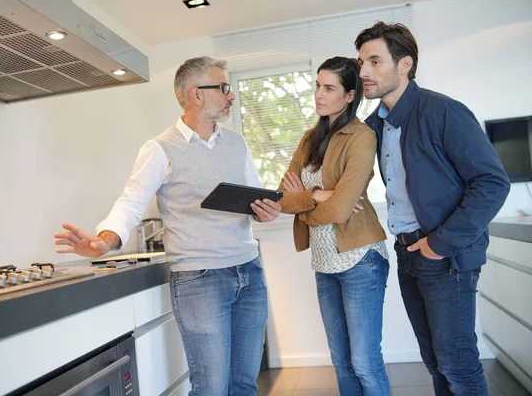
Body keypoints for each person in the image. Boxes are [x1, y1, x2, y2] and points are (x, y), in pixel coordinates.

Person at [54, 56, 282, 396]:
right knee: (211, 387)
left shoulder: (238, 143)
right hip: (200, 278)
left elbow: (252, 197)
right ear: (196, 95)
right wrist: (105, 240)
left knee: (243, 384)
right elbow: (131, 201)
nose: (230, 95)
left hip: (249, 271)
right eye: (223, 88)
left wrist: (265, 211)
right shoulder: (160, 148)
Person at [355, 22, 510, 396]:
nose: (363, 72)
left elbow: (492, 183)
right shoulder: (375, 125)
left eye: (375, 61)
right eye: (361, 62)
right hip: (407, 252)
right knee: (435, 362)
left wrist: (438, 244)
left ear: (404, 64)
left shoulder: (444, 112)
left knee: (458, 363)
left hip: (445, 255)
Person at [279, 57, 391, 396]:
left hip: (361, 259)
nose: (318, 94)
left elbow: (342, 209)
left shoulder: (361, 136)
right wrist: (317, 194)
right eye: (317, 85)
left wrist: (306, 204)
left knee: (365, 362)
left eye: (329, 88)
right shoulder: (308, 140)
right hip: (324, 264)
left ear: (349, 95)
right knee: (341, 362)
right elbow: (282, 198)